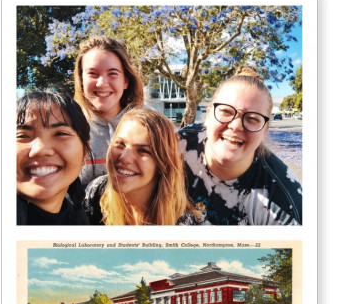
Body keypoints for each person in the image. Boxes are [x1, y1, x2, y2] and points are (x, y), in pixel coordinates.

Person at [179, 66, 302, 225]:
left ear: (265, 130)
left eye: (252, 118)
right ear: (208, 115)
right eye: (226, 112)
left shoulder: (284, 203)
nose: (236, 126)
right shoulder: (175, 146)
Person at [84, 109, 196, 225]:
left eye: (143, 151)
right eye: (120, 144)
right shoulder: (95, 193)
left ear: (163, 163)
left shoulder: (181, 221)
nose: (124, 158)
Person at [74, 35, 144, 186]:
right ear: (81, 80)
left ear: (125, 81)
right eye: (92, 73)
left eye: (112, 73)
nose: (102, 83)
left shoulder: (149, 126)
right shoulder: (69, 129)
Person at [16, 88, 92, 225]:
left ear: (85, 152)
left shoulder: (80, 221)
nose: (40, 150)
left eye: (60, 134)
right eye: (23, 136)